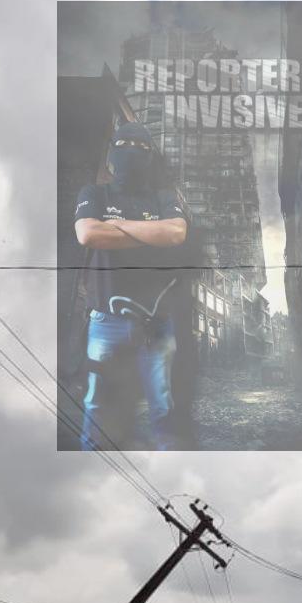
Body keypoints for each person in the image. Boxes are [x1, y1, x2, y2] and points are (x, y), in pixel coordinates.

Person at [74, 122, 192, 451]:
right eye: (123, 143)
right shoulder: (93, 193)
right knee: (96, 405)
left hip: (156, 322)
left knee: (162, 406)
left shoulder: (165, 197)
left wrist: (117, 226)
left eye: (141, 147)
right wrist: (148, 233)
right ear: (112, 152)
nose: (131, 152)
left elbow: (175, 235)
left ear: (151, 156)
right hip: (105, 320)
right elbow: (88, 235)